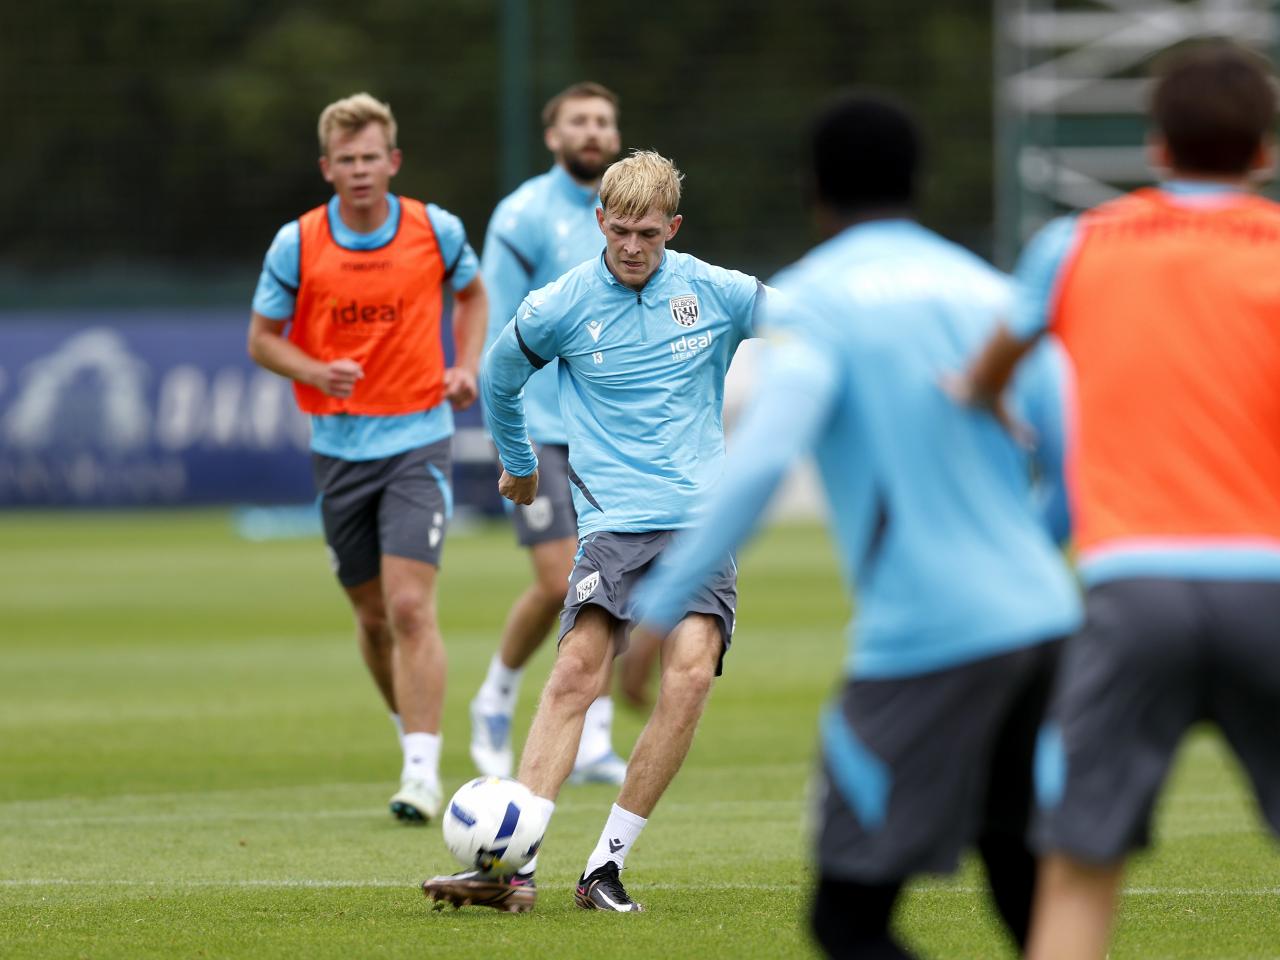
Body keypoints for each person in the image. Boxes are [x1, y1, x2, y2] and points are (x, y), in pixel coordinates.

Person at [627, 93, 1082, 958]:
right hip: (1045, 624)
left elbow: (763, 458)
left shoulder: (813, 301)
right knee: (1025, 890)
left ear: (815, 190)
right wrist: (1025, 555)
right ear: (917, 182)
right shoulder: (989, 291)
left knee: (847, 919)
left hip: (926, 639)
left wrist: (662, 604)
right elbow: (1074, 461)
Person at [952, 42, 1280, 960]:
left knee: (1078, 870)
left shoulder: (1074, 245)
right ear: (1264, 151)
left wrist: (976, 394)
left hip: (1131, 588)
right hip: (1268, 584)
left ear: (1157, 147)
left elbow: (993, 368)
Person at [422, 150, 765, 914]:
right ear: (599, 221)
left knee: (688, 677)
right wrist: (519, 465)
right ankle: (510, 867)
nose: (633, 247)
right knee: (577, 670)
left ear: (673, 227)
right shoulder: (562, 304)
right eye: (620, 231)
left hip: (701, 526)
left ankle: (603, 869)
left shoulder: (715, 291)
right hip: (612, 524)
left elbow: (812, 323)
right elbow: (501, 376)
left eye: (649, 233)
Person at [247, 92, 488, 825]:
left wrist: (465, 365)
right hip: (338, 448)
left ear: (394, 161)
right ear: (327, 168)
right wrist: (315, 371)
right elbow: (262, 339)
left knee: (410, 606)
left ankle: (421, 772)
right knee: (374, 617)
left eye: (371, 157)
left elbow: (472, 297)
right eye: (346, 159)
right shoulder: (297, 243)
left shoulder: (434, 229)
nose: (359, 170)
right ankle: (407, 726)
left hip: (418, 439)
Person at [469, 82, 627, 786]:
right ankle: (497, 696)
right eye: (578, 121)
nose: (592, 131)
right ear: (552, 136)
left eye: (603, 121)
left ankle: (591, 737)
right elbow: (501, 330)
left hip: (610, 431)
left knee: (610, 578)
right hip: (541, 426)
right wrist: (513, 438)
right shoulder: (523, 214)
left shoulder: (626, 214)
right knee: (562, 578)